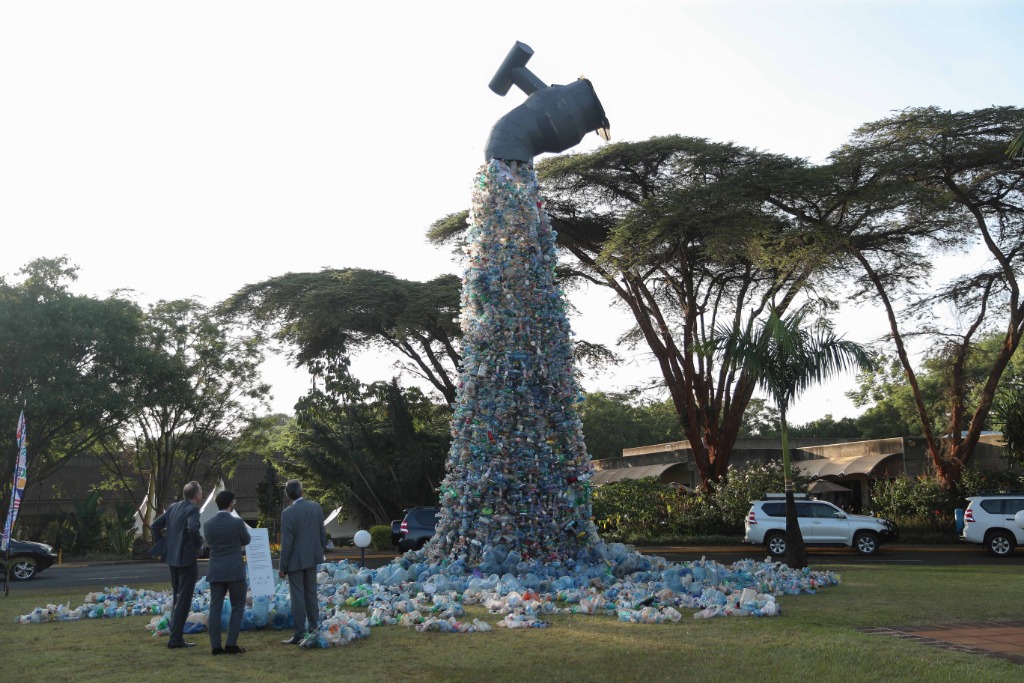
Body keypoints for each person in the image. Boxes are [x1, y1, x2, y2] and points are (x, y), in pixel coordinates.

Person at [151, 481, 204, 649]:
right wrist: (198, 546)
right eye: (201, 492)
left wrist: (165, 544)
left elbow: (155, 526)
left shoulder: (173, 507)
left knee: (176, 597)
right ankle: (175, 638)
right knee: (184, 598)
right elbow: (193, 529)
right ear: (196, 495)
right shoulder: (193, 509)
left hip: (172, 558)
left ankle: (175, 633)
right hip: (186, 558)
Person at [277, 479, 327, 644]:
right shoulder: (315, 507)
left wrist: (282, 566)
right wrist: (321, 549)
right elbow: (322, 531)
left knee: (297, 596)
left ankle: (299, 632)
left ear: (288, 495)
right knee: (311, 594)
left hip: (295, 560)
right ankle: (314, 627)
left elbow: (287, 542)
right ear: (302, 491)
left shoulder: (288, 513)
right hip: (312, 557)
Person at [203, 489, 251, 655]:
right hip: (234, 570)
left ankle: (216, 646)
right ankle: (231, 643)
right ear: (231, 503)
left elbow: (209, 543)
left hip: (215, 569)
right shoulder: (237, 523)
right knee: (237, 605)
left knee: (215, 608)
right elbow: (247, 539)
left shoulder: (208, 524)